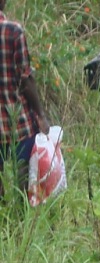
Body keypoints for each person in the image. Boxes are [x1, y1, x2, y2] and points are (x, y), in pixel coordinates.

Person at [0, 0, 49, 197]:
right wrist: (41, 115)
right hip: (18, 123)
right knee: (25, 178)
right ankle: (23, 220)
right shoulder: (13, 31)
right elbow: (25, 80)